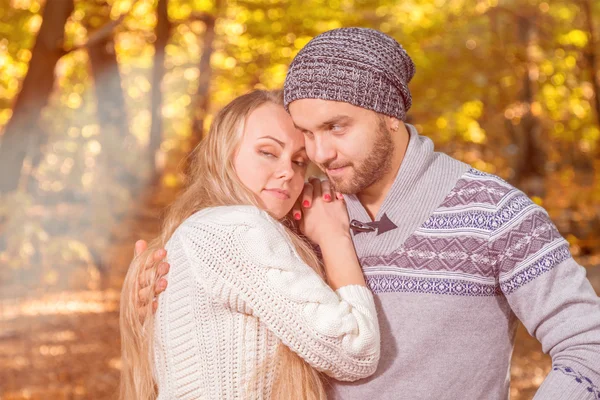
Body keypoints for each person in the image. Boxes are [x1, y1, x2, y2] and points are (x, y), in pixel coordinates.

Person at [140, 28, 600, 399]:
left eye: (336, 127)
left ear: (390, 115)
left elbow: (589, 346)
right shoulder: (296, 207)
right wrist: (147, 290)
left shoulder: (495, 212)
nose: (320, 153)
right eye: (307, 134)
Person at [119, 90, 381, 400]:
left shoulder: (197, 229)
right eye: (268, 152)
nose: (288, 172)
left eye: (299, 161)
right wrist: (333, 235)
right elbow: (357, 352)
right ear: (224, 153)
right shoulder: (235, 228)